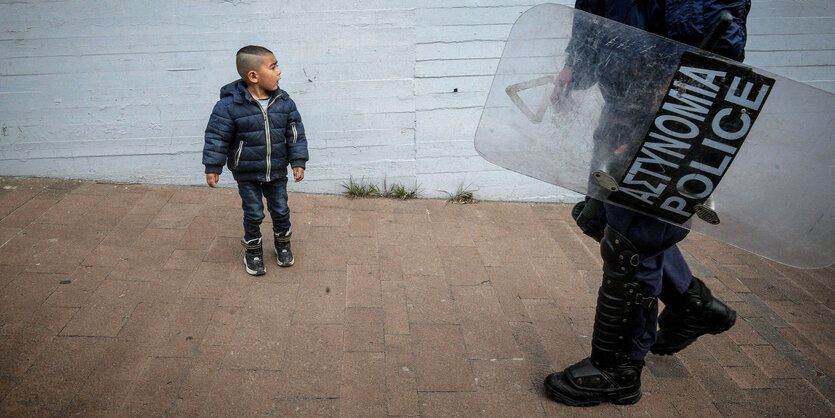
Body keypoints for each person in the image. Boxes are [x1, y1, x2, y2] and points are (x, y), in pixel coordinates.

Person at [544, 0, 749, 406]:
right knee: (597, 215)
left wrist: (671, 104)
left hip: (678, 113)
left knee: (631, 243)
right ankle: (692, 304)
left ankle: (618, 369)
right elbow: (597, 12)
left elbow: (713, 29)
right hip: (626, 103)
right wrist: (575, 65)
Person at [202, 45, 309, 276]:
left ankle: (282, 245)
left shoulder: (284, 101)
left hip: (277, 170)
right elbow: (216, 136)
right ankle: (253, 250)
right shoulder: (229, 106)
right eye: (273, 66)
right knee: (254, 213)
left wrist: (298, 160)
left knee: (280, 209)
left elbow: (295, 133)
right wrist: (213, 166)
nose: (279, 71)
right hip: (247, 172)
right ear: (253, 76)